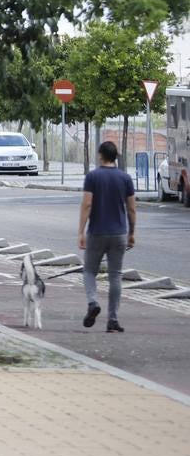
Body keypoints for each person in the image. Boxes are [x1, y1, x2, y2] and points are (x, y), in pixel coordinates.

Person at [77, 141, 136, 332]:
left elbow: (87, 204)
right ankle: (112, 319)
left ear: (101, 155)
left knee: (89, 271)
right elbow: (132, 209)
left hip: (97, 232)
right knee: (115, 276)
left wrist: (81, 231)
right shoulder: (125, 178)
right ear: (116, 157)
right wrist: (132, 232)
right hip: (119, 233)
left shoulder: (93, 177)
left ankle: (93, 302)